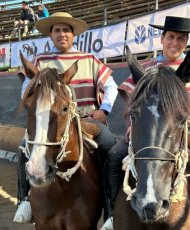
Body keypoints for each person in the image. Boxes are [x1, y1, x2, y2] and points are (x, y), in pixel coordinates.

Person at [102, 16, 190, 230]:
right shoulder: (147, 68)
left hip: (189, 129)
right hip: (149, 130)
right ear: (162, 38)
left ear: (186, 41)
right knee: (114, 156)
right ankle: (112, 215)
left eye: (180, 38)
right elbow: (130, 101)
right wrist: (131, 126)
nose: (175, 42)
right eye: (170, 37)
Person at [13, 12, 118, 223]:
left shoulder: (89, 59)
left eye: (66, 30)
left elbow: (111, 86)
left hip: (87, 120)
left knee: (111, 148)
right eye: (57, 30)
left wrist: (103, 110)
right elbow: (27, 89)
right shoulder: (40, 61)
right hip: (52, 121)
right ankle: (24, 199)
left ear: (73, 35)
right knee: (24, 146)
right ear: (51, 35)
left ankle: (111, 210)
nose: (62, 34)